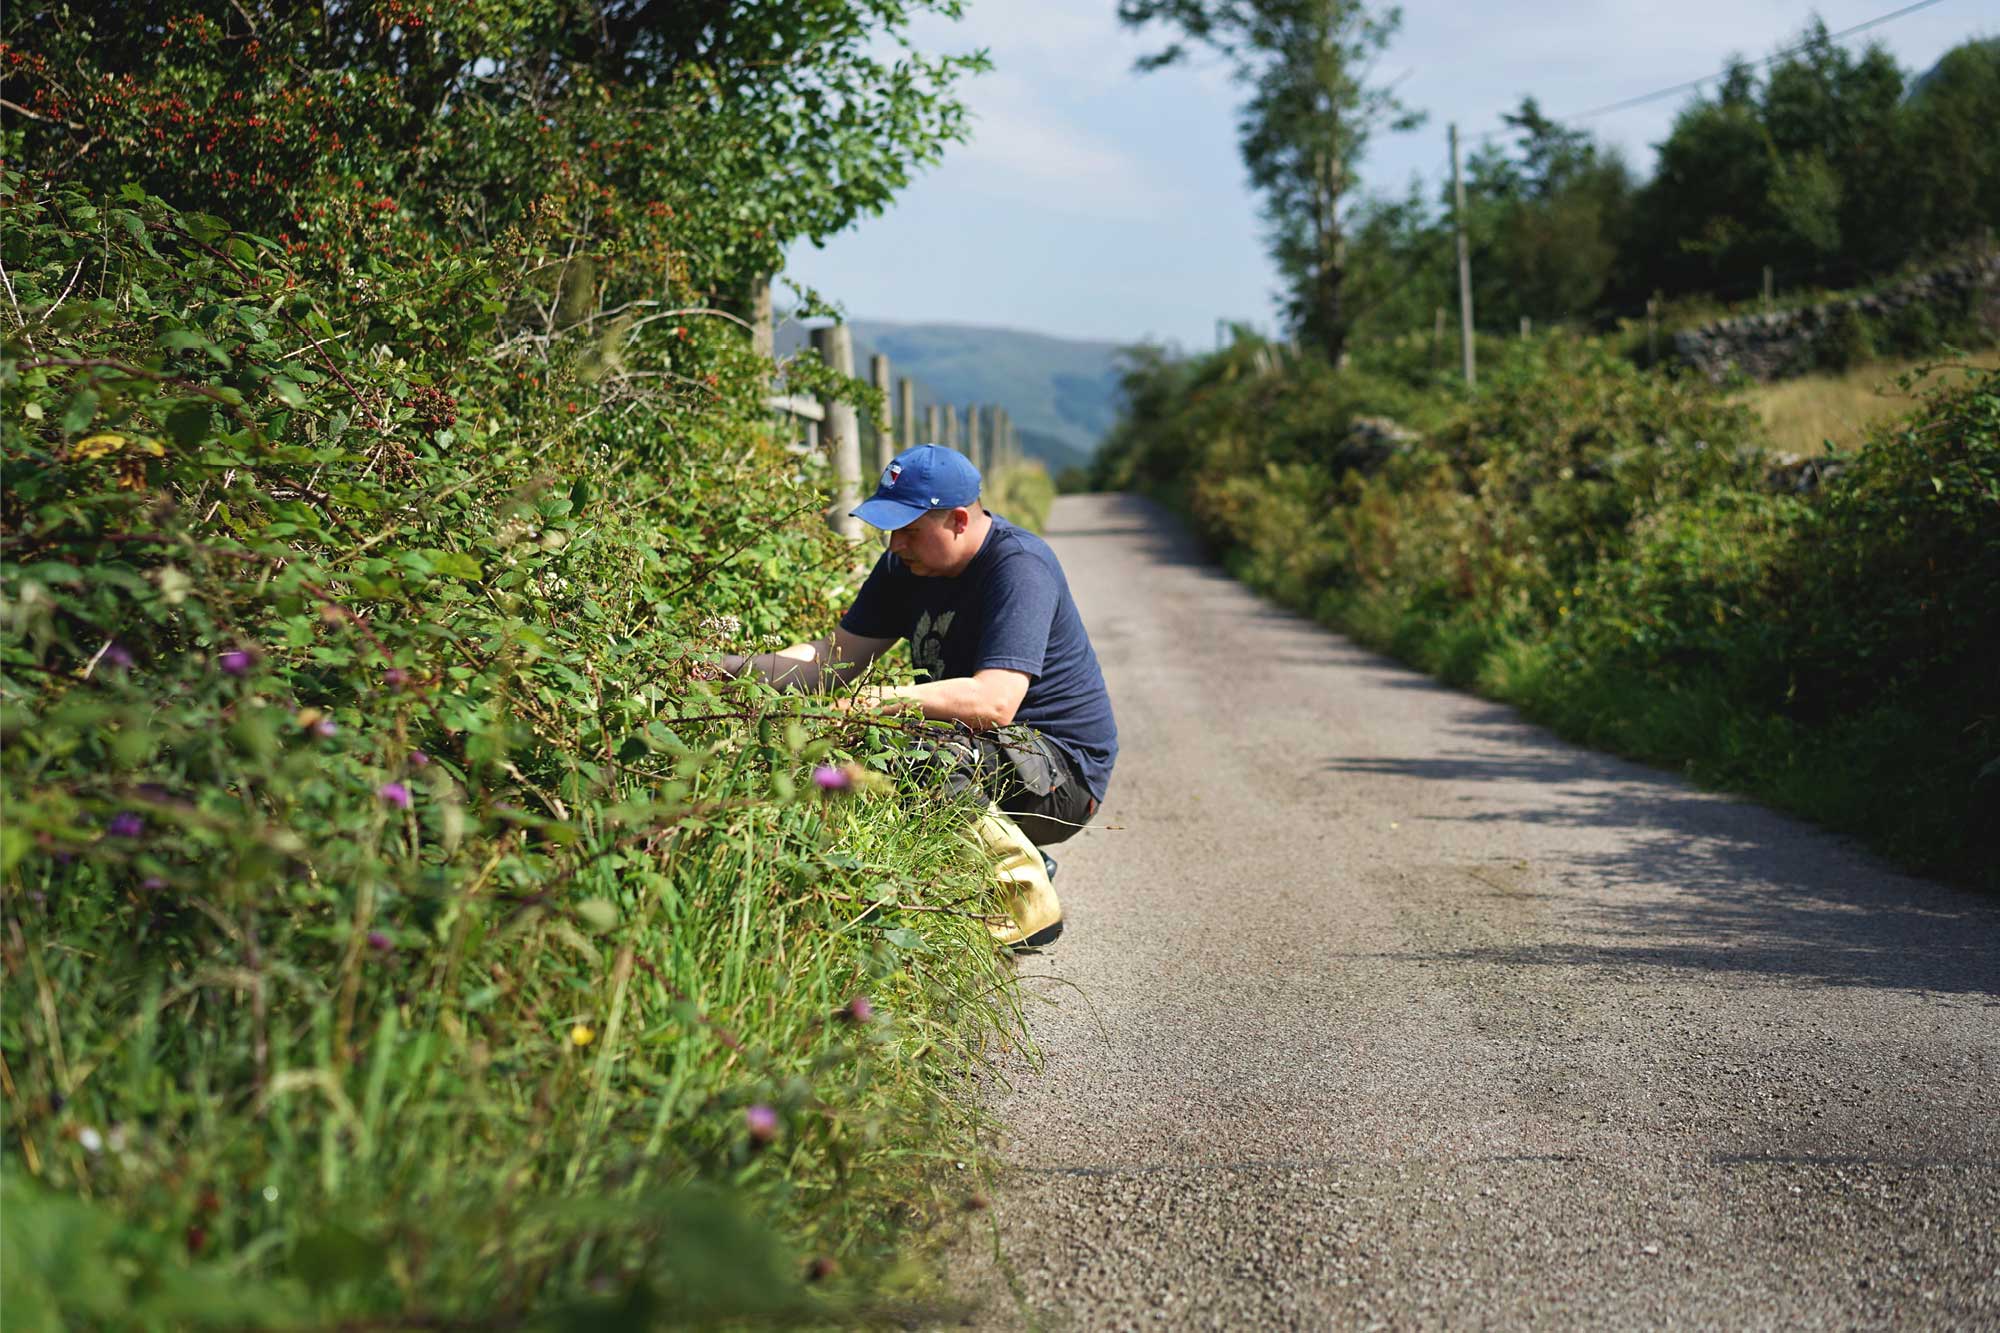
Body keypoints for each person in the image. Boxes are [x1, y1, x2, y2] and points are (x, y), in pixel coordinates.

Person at [718, 444, 1117, 947]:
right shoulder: (903, 568)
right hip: (983, 748)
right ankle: (962, 872)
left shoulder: (1018, 567)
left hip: (1063, 775)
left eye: (909, 530)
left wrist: (867, 704)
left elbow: (993, 703)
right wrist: (728, 672)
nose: (895, 544)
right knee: (881, 743)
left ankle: (1022, 902)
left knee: (914, 751)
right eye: (890, 529)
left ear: (956, 521)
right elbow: (832, 659)